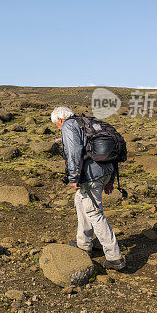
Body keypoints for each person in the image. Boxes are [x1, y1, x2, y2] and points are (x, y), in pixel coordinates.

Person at [51, 106, 126, 271]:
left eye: (57, 125)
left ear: (60, 120)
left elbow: (73, 152)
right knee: (80, 201)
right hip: (105, 172)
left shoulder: (69, 126)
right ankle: (84, 244)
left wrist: (74, 177)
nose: (58, 128)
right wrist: (110, 180)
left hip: (91, 175)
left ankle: (114, 257)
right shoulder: (89, 123)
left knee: (94, 213)